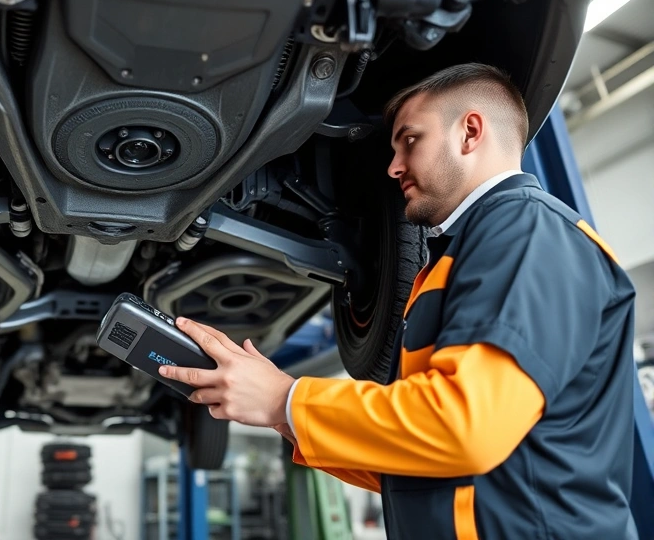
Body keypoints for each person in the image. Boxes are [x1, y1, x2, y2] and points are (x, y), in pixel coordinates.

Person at [158, 63, 638, 539]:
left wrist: (285, 399)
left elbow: (463, 428)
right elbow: (414, 467)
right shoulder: (467, 252)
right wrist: (281, 414)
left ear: (470, 132)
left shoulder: (527, 231)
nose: (392, 166)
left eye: (410, 140)